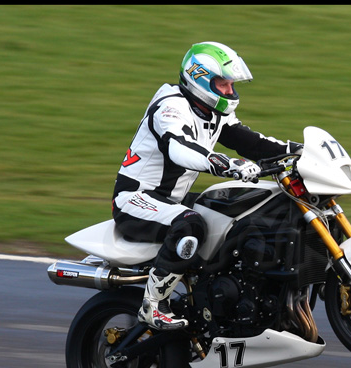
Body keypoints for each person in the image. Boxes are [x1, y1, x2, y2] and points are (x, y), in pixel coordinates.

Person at [111, 41, 303, 330]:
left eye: (230, 84)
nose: (229, 91)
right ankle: (153, 305)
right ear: (199, 79)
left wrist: (294, 150)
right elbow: (180, 148)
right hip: (135, 199)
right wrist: (226, 164)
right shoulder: (171, 108)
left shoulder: (212, 112)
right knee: (190, 224)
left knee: (242, 214)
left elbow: (248, 141)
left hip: (173, 199)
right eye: (222, 84)